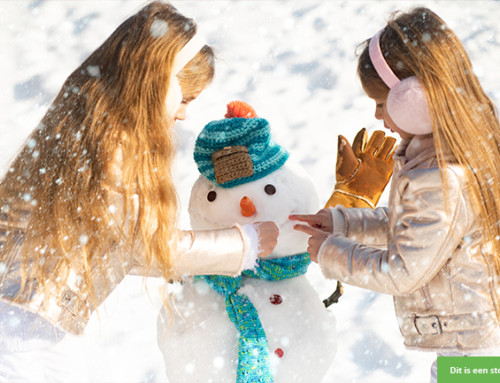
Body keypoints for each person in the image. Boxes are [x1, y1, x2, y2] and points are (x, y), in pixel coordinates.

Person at [0, 2, 278, 381]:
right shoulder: (113, 144)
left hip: (24, 310)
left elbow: (123, 244)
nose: (182, 115)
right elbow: (143, 244)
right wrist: (244, 244)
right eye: (185, 99)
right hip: (27, 326)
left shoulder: (86, 120)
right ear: (160, 85)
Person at [292, 7, 500, 383]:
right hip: (477, 343)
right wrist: (343, 222)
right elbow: (415, 228)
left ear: (414, 97)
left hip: (475, 356)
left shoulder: (442, 175)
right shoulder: (449, 150)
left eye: (380, 103)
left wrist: (329, 252)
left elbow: (402, 271)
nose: (376, 116)